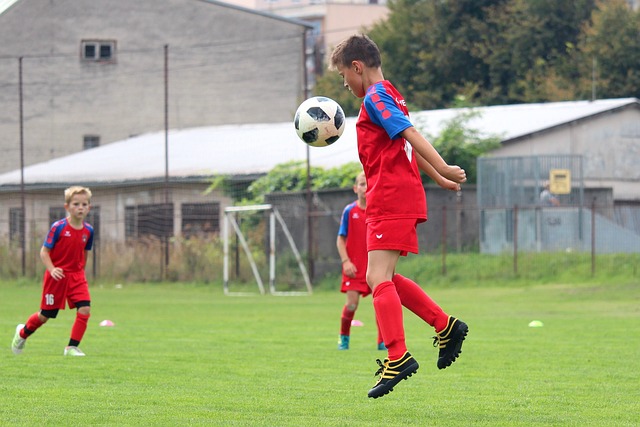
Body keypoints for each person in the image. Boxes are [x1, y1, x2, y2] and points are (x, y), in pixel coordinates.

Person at [329, 34, 469, 399]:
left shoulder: (375, 96)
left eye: (346, 78)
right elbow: (402, 141)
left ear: (357, 67)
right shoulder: (388, 92)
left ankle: (397, 356)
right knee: (386, 276)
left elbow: (409, 133)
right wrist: (438, 177)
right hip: (395, 194)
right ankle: (445, 325)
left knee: (376, 277)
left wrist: (442, 166)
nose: (347, 86)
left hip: (390, 195)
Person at [11, 186, 95, 357]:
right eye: (76, 204)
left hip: (77, 276)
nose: (80, 207)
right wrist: (52, 269)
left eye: (84, 204)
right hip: (56, 276)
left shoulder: (89, 231)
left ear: (89, 208)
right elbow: (44, 251)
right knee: (45, 315)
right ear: (67, 207)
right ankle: (22, 334)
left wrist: (81, 272)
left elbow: (85, 252)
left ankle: (71, 347)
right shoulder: (58, 227)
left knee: (85, 308)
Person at [336, 171, 385, 351]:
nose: (365, 188)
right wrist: (346, 261)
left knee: (381, 304)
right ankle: (344, 338)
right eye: (362, 184)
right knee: (351, 304)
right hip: (354, 267)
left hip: (374, 267)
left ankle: (382, 341)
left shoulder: (378, 210)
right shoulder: (350, 211)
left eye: (368, 184)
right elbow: (341, 238)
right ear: (355, 188)